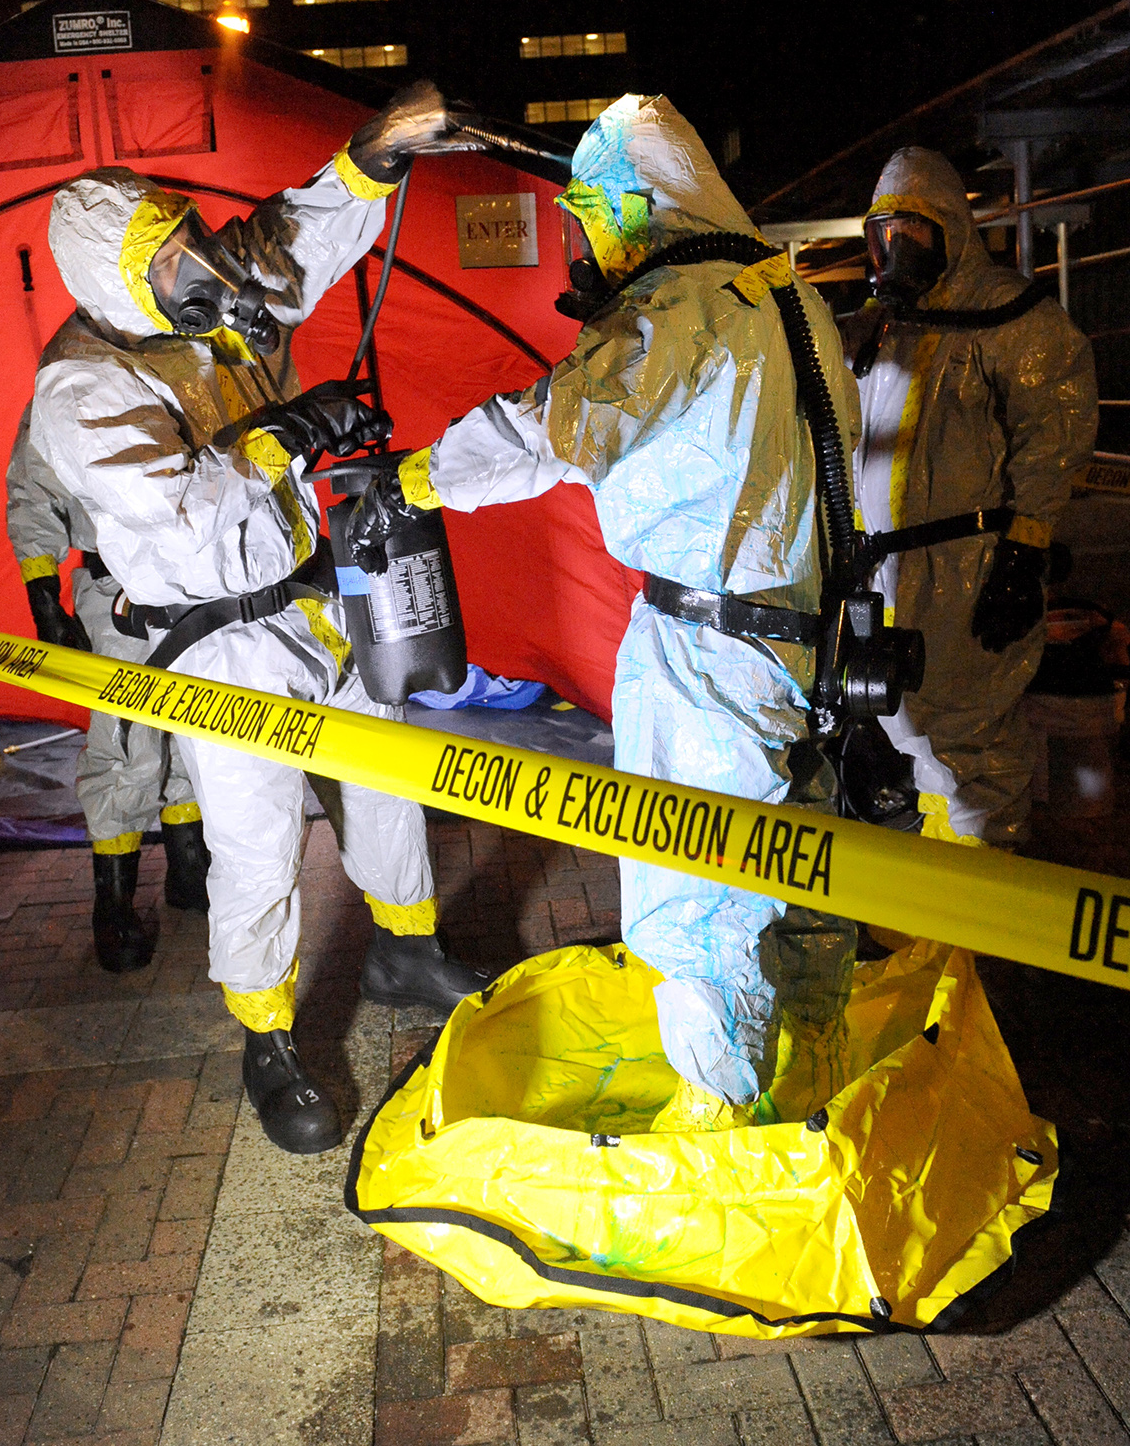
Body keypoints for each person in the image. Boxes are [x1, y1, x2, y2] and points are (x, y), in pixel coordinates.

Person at [348, 93, 859, 1110]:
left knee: (693, 894)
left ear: (638, 207)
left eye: (597, 215)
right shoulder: (786, 299)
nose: (593, 241)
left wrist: (420, 479)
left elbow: (555, 425)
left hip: (706, 652)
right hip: (808, 638)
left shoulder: (674, 310)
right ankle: (813, 1091)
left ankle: (723, 1125)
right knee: (799, 881)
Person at [29, 83, 482, 1155]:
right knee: (255, 840)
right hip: (218, 648)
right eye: (176, 262)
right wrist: (282, 433)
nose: (205, 270)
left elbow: (287, 242)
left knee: (389, 779)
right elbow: (180, 514)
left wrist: (373, 153)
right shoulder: (79, 389)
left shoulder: (202, 299)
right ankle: (267, 1036)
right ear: (116, 282)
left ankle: (406, 946)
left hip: (313, 608)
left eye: (189, 240)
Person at [842, 147, 1098, 846]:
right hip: (888, 571)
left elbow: (1056, 430)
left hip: (969, 569)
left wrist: (1024, 551)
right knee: (917, 737)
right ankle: (947, 906)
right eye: (884, 233)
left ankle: (987, 916)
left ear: (952, 231)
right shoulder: (883, 328)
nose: (896, 250)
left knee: (973, 745)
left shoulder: (1008, 316)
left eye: (914, 232)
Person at [7, 403, 210, 971]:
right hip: (116, 583)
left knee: (193, 724)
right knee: (128, 743)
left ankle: (189, 867)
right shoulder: (71, 378)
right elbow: (32, 486)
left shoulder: (186, 357)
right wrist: (44, 595)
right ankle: (112, 904)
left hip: (193, 579)